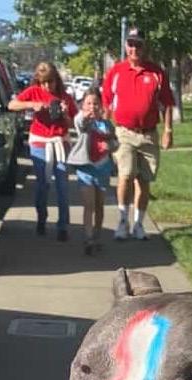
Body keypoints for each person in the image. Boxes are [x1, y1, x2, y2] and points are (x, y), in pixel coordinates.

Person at [101, 26, 174, 241]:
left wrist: (168, 130)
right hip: (124, 132)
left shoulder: (156, 72)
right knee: (125, 175)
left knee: (144, 180)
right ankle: (123, 221)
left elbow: (167, 103)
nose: (134, 49)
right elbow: (106, 103)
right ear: (126, 46)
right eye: (131, 44)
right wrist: (104, 131)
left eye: (138, 45)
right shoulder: (116, 71)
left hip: (149, 135)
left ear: (144, 47)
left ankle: (139, 224)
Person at [9, 62, 77, 240]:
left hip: (60, 142)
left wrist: (64, 114)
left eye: (50, 81)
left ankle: (63, 226)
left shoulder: (65, 97)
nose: (47, 86)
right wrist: (32, 104)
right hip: (39, 142)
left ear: (56, 80)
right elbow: (12, 105)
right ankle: (41, 218)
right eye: (43, 82)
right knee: (42, 184)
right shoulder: (34, 91)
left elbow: (72, 123)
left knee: (62, 185)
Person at [72, 89, 116, 255]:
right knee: (88, 204)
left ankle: (97, 235)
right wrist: (85, 116)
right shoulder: (83, 122)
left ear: (101, 106)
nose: (92, 106)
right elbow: (79, 123)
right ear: (82, 105)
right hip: (86, 168)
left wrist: (109, 146)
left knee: (99, 205)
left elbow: (115, 142)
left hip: (103, 169)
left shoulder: (107, 125)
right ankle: (88, 238)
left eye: (96, 103)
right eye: (88, 103)